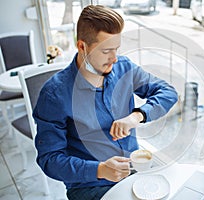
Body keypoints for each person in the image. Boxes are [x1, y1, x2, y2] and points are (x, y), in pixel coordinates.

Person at [33, 5, 178, 200]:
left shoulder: (124, 68)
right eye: (106, 51)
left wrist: (137, 116)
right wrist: (99, 170)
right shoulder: (54, 95)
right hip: (90, 185)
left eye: (116, 49)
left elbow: (168, 92)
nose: (114, 58)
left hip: (133, 170)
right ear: (82, 46)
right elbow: (49, 160)